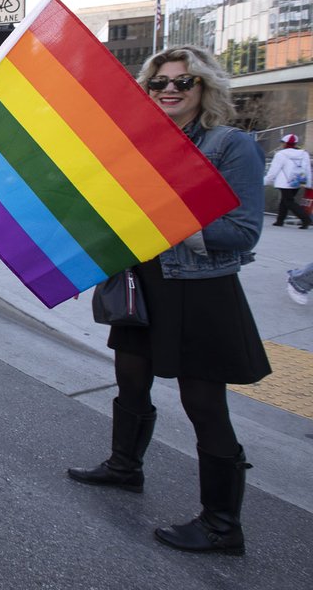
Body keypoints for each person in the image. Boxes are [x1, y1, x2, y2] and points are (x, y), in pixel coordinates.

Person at [67, 45, 269, 555]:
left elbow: (243, 232)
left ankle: (223, 525)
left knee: (203, 404)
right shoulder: (139, 149)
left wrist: (172, 224)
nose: (171, 90)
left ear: (205, 88)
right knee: (129, 381)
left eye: (184, 81)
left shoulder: (230, 146)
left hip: (201, 290)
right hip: (143, 285)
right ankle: (124, 467)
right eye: (159, 84)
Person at [263, 133, 311, 228]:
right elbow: (307, 169)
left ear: (285, 143)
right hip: (298, 181)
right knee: (285, 200)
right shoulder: (304, 153)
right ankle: (280, 220)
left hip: (284, 182)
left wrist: (265, 181)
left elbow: (273, 170)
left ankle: (306, 219)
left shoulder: (281, 154)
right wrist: (309, 183)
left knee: (289, 201)